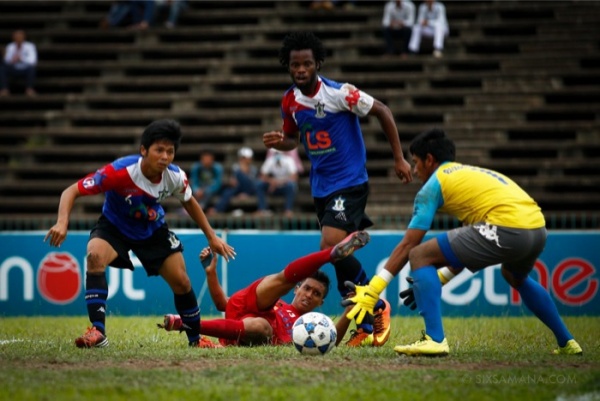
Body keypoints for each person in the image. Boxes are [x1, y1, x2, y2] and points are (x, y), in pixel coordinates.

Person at [343, 128, 583, 356]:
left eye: (415, 162)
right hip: (537, 229)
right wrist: (437, 280)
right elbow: (466, 252)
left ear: (429, 159)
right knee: (514, 276)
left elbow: (409, 245)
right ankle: (567, 342)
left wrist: (373, 290)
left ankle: (435, 340)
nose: (414, 170)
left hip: (506, 227)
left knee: (420, 255)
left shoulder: (434, 185)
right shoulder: (468, 175)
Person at [262, 31, 412, 347]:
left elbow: (383, 111)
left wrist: (399, 158)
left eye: (306, 63)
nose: (300, 69)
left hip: (350, 181)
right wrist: (281, 142)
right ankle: (365, 320)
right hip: (321, 188)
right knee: (337, 253)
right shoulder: (290, 101)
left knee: (331, 244)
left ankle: (376, 303)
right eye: (295, 65)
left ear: (317, 63)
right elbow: (293, 139)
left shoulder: (341, 93)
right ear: (287, 66)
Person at [43, 119, 236, 349]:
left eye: (170, 151)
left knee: (182, 282)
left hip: (153, 231)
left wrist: (211, 236)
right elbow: (71, 190)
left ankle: (196, 340)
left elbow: (189, 201)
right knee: (94, 256)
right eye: (159, 150)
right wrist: (62, 222)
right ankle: (98, 332)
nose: (165, 157)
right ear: (143, 150)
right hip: (114, 226)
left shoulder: (175, 176)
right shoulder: (118, 172)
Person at [159, 231, 371, 346]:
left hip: (256, 332)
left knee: (262, 327)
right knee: (280, 281)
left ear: (321, 302)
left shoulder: (312, 324)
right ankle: (329, 255)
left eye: (316, 294)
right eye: (306, 288)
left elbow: (331, 340)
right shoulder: (278, 301)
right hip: (253, 308)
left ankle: (186, 324)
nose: (309, 295)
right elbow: (223, 304)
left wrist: (349, 311)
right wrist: (211, 273)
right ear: (297, 289)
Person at [213, 147, 259, 215]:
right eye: (243, 158)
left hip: (249, 189)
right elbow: (234, 180)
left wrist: (246, 193)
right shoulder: (236, 167)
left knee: (240, 174)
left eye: (246, 158)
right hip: (238, 187)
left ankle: (245, 193)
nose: (245, 160)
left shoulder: (253, 169)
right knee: (227, 192)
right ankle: (217, 210)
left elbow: (252, 183)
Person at [256, 149, 298, 217]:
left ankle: (288, 210)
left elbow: (294, 176)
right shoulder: (270, 160)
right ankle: (262, 209)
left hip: (284, 186)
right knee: (259, 185)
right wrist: (271, 181)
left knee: (292, 185)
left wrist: (279, 182)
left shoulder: (289, 160)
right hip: (272, 187)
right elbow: (262, 175)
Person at [0, 29, 37, 97]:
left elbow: (33, 61)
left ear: (24, 37)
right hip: (13, 67)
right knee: (2, 68)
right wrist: (12, 60)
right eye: (16, 37)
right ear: (13, 38)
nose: (18, 38)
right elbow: (6, 60)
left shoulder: (30, 46)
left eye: (20, 36)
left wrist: (21, 59)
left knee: (31, 68)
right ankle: (4, 89)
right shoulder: (10, 46)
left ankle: (29, 89)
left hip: (25, 68)